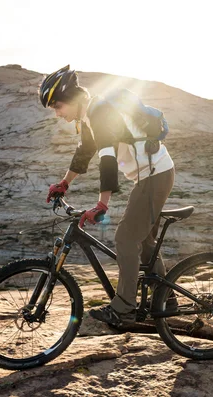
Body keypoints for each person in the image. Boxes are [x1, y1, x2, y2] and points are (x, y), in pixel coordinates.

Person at [39, 65, 175, 326]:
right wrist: (63, 184)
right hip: (152, 175)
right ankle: (166, 302)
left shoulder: (99, 113)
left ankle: (124, 308)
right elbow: (84, 153)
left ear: (69, 99)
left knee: (125, 237)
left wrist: (102, 203)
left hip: (155, 176)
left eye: (57, 106)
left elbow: (108, 159)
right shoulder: (90, 115)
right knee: (145, 243)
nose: (57, 114)